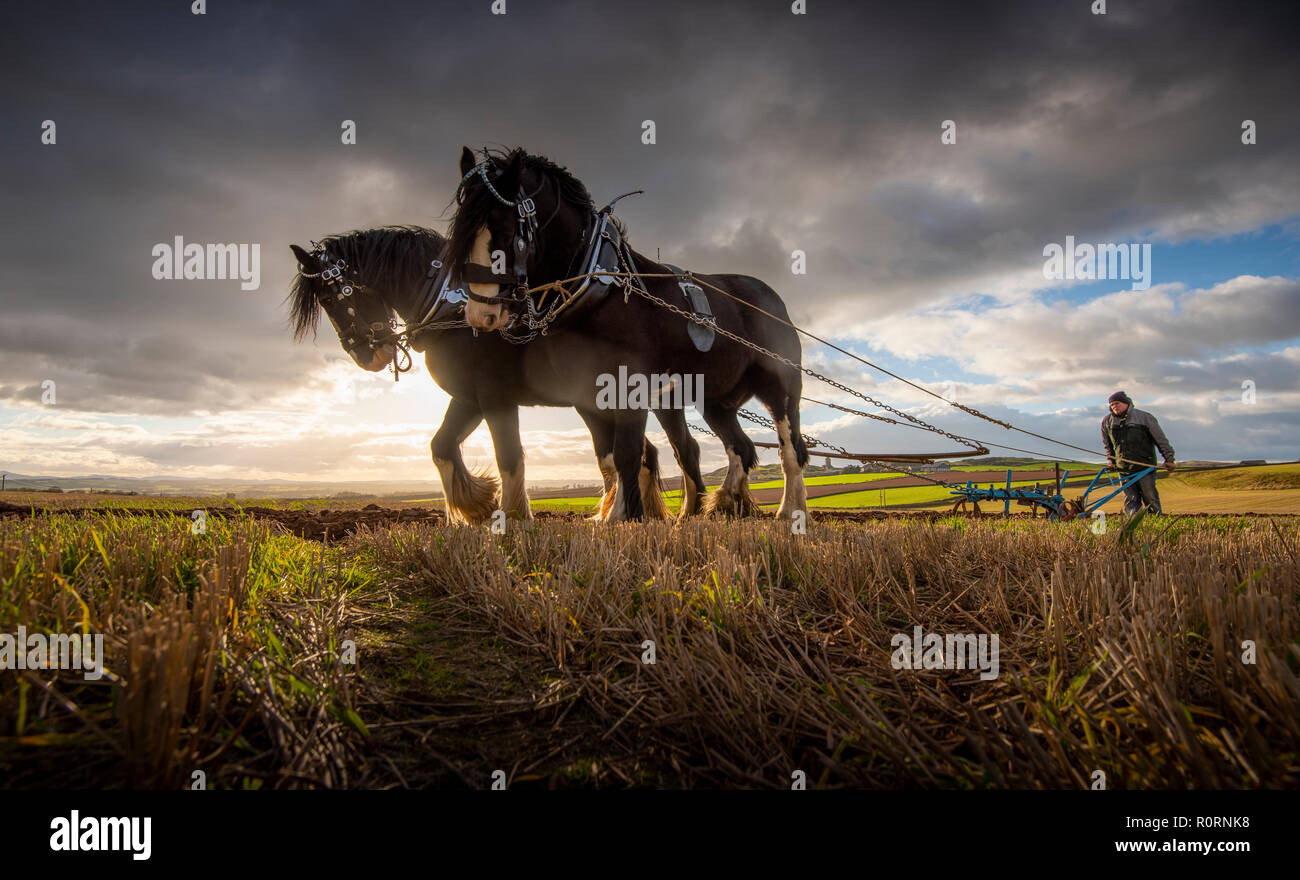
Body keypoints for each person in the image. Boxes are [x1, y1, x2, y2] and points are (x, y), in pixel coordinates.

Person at [1101, 391, 1175, 515]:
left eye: (1117, 403)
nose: (1114, 406)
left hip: (1144, 466)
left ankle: (1155, 522)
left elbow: (1160, 439)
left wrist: (1169, 459)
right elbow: (1108, 445)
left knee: (1150, 497)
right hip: (1123, 468)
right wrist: (1112, 461)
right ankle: (1133, 524)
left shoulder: (1144, 417)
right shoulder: (1107, 421)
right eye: (1112, 405)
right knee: (1130, 499)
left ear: (1126, 403)